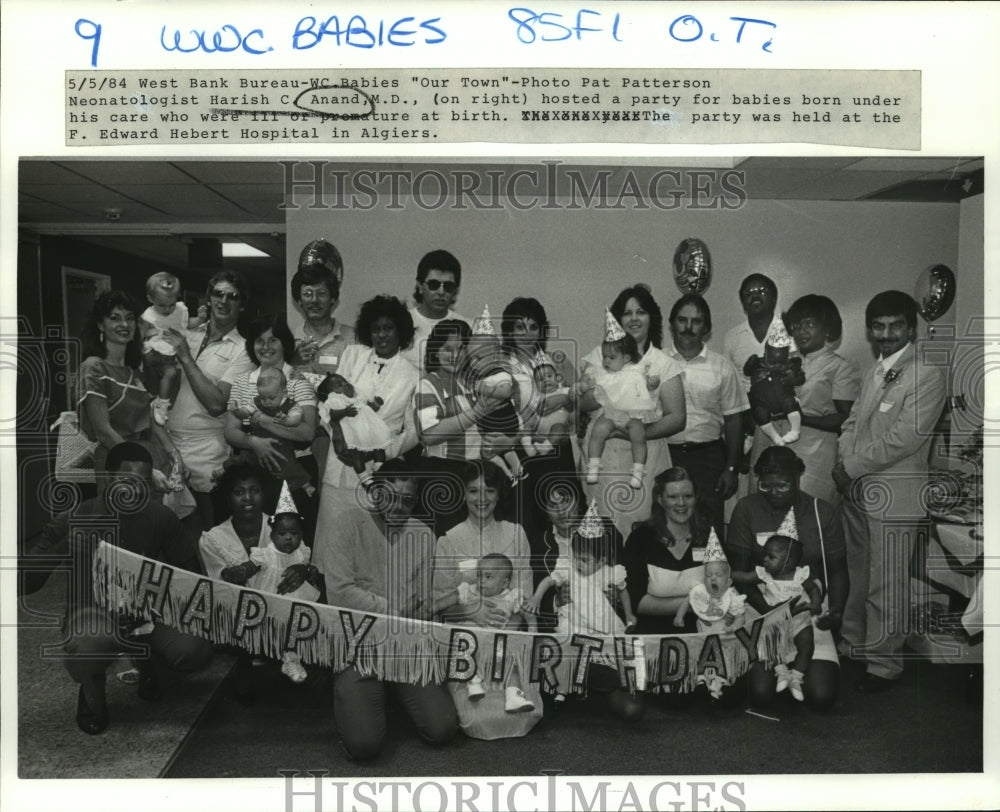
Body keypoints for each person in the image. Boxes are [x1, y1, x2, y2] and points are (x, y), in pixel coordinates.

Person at [20, 442, 211, 735]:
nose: (135, 490)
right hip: (92, 614)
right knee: (88, 645)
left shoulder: (160, 517)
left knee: (193, 646)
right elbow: (24, 583)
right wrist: (63, 546)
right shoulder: (74, 518)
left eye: (144, 483)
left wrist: (158, 601)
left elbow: (193, 577)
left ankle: (151, 665)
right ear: (107, 478)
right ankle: (92, 694)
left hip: (148, 611)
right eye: (126, 481)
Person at [833, 290, 947, 693]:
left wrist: (850, 465)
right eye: (878, 327)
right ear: (869, 330)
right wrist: (845, 457)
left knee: (888, 581)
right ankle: (856, 647)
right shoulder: (875, 371)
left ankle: (884, 664)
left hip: (894, 495)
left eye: (895, 326)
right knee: (859, 575)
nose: (886, 334)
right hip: (858, 491)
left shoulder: (925, 374)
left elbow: (904, 439)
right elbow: (850, 424)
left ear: (910, 328)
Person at [310, 458, 458, 760]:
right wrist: (395, 610)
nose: (399, 506)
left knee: (442, 729)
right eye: (390, 495)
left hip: (405, 645)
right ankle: (360, 694)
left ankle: (393, 692)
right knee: (364, 747)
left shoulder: (423, 534)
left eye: (407, 499)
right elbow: (340, 593)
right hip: (357, 646)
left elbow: (426, 599)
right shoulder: (346, 525)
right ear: (375, 493)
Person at [725, 446, 848, 710]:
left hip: (808, 609)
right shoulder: (746, 509)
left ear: (799, 476)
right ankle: (778, 669)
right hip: (761, 607)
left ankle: (797, 671)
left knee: (822, 695)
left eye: (782, 486)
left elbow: (837, 570)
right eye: (765, 486)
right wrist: (772, 611)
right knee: (760, 694)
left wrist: (835, 609)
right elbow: (740, 575)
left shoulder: (821, 511)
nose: (773, 493)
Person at [580, 285, 686, 534]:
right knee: (603, 531)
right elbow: (582, 403)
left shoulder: (663, 363)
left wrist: (636, 433)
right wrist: (609, 384)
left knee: (643, 528)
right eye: (627, 314)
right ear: (618, 319)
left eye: (641, 312)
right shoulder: (599, 356)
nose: (634, 319)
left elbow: (677, 418)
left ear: (652, 318)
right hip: (603, 454)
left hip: (645, 453)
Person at [161, 270, 254, 530]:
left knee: (205, 537)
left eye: (233, 297)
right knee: (169, 539)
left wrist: (186, 358)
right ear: (208, 300)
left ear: (241, 305)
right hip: (167, 448)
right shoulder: (187, 334)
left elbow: (216, 404)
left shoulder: (243, 351)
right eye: (218, 294)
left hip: (207, 455)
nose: (224, 301)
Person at [76, 290, 188, 493]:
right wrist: (147, 470)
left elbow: (152, 421)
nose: (124, 325)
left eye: (129, 318)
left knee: (159, 520)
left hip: (147, 454)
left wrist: (174, 455)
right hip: (119, 462)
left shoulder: (134, 369)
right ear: (101, 325)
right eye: (114, 318)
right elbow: (104, 432)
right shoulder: (93, 367)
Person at [317, 295, 419, 499]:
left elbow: (413, 430)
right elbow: (327, 402)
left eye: (388, 328)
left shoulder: (413, 374)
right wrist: (336, 436)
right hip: (340, 460)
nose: (381, 335)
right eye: (375, 329)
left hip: (380, 468)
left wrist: (382, 451)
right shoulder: (353, 355)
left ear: (400, 330)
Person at [664, 293, 747, 539]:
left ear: (707, 328)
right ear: (672, 324)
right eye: (682, 320)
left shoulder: (722, 366)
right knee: (666, 527)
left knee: (707, 529)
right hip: (666, 456)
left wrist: (731, 467)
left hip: (709, 458)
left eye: (696, 321)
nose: (688, 327)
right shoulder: (655, 362)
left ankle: (710, 577)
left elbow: (734, 420)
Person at [223, 314, 319, 514]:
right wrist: (255, 444)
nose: (265, 346)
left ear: (285, 344)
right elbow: (230, 431)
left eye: (273, 340)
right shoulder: (241, 381)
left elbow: (307, 432)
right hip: (253, 472)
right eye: (259, 341)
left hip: (293, 471)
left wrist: (265, 422)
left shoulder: (297, 380)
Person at [776, 294, 861, 503]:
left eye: (810, 324)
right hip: (781, 450)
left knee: (810, 520)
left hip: (817, 453)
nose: (802, 331)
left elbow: (846, 419)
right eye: (797, 324)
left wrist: (801, 418)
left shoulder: (840, 367)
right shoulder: (786, 362)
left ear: (828, 329)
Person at [432, 461, 533, 623]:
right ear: (463, 494)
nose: (482, 498)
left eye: (490, 491)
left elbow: (525, 599)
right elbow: (440, 607)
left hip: (507, 633)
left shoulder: (516, 534)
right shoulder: (448, 541)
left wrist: (505, 636)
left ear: (499, 494)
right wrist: (469, 612)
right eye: (473, 491)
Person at [434, 553, 536, 712]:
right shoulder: (470, 591)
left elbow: (528, 613)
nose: (481, 581)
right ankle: (473, 682)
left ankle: (513, 696)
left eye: (488, 577)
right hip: (472, 644)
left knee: (512, 664)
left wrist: (532, 632)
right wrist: (433, 607)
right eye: (479, 575)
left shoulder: (512, 596)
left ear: (505, 583)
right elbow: (448, 601)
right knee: (463, 649)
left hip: (498, 648)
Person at [243, 483, 320, 684]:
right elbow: (249, 567)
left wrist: (309, 570)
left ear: (301, 535)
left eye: (294, 534)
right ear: (272, 535)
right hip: (271, 595)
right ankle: (272, 654)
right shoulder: (265, 553)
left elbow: (309, 568)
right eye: (283, 533)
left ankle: (291, 658)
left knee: (296, 625)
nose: (289, 538)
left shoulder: (301, 551)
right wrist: (237, 571)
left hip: (296, 596)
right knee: (271, 626)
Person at [526, 499, 635, 638]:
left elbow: (626, 588)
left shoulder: (607, 536)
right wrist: (555, 600)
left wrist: (619, 602)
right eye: (553, 505)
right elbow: (544, 583)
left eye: (566, 502)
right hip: (573, 620)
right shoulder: (539, 544)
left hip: (603, 617)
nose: (561, 511)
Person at [580, 310, 661, 490]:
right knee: (598, 431)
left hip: (633, 414)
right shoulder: (605, 374)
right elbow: (590, 386)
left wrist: (652, 385)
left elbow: (646, 388)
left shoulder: (637, 370)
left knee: (638, 437)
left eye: (611, 357)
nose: (606, 361)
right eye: (605, 357)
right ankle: (593, 465)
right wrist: (585, 384)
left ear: (626, 357)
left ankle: (638, 470)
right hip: (611, 413)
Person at [624, 467, 711, 634]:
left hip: (704, 632)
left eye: (688, 496)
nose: (681, 503)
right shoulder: (640, 539)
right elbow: (635, 600)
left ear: (696, 498)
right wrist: (693, 604)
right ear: (660, 499)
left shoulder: (710, 537)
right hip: (654, 635)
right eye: (672, 497)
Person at [744, 530, 822, 701]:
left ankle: (796, 676)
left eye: (770, 557)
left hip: (798, 620)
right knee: (768, 643)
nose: (764, 559)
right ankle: (781, 671)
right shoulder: (766, 575)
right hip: (775, 620)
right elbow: (744, 579)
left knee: (807, 644)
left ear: (789, 561)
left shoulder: (800, 575)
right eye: (765, 555)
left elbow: (814, 589)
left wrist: (816, 603)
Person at [722, 273, 787, 474]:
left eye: (761, 291)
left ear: (774, 298)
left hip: (782, 416)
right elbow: (730, 384)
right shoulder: (733, 336)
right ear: (742, 301)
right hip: (746, 421)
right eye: (748, 293)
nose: (755, 296)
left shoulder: (788, 330)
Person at [466, 305, 527, 485]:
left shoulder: (500, 373)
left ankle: (513, 473)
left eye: (478, 359)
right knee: (492, 453)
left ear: (493, 356)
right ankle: (514, 473)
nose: (473, 364)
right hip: (491, 425)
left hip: (504, 422)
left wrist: (481, 387)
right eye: (470, 359)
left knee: (494, 452)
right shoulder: (479, 375)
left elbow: (505, 390)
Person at [140, 271, 207, 425]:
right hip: (156, 351)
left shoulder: (179, 310)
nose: (167, 310)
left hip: (173, 352)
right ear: (150, 299)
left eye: (171, 305)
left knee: (173, 375)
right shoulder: (148, 316)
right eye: (161, 305)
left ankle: (161, 401)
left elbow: (186, 325)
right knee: (166, 373)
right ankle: (159, 400)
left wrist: (200, 319)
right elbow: (139, 336)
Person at [289, 240, 355, 386]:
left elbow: (360, 385)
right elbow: (275, 389)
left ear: (333, 299)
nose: (314, 300)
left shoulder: (353, 338)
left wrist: (318, 379)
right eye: (307, 294)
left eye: (321, 293)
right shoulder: (289, 339)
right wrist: (293, 362)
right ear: (299, 300)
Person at [315, 372, 392, 485]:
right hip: (353, 434)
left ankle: (379, 466)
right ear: (331, 393)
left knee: (379, 445)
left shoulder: (358, 398)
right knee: (355, 453)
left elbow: (369, 410)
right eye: (339, 384)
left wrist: (376, 404)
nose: (346, 384)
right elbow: (332, 415)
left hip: (369, 431)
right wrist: (344, 412)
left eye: (345, 381)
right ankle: (364, 477)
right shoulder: (335, 400)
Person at [402, 249, 470, 372]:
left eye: (448, 286)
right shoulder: (400, 324)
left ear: (455, 290)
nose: (441, 292)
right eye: (434, 284)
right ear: (420, 286)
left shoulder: (466, 328)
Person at [743, 320, 805, 447]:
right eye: (772, 362)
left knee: (790, 403)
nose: (777, 366)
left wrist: (793, 379)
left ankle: (795, 430)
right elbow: (747, 371)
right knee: (761, 413)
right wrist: (750, 363)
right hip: (762, 399)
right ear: (765, 356)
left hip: (783, 397)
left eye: (781, 363)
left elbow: (801, 378)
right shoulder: (757, 363)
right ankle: (775, 437)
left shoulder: (792, 365)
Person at [673, 529, 747, 634]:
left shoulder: (732, 597)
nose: (713, 578)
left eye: (719, 575)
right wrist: (679, 616)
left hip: (725, 634)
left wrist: (734, 627)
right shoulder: (700, 590)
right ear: (704, 579)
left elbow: (741, 617)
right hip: (703, 633)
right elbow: (687, 601)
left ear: (729, 582)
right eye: (708, 575)